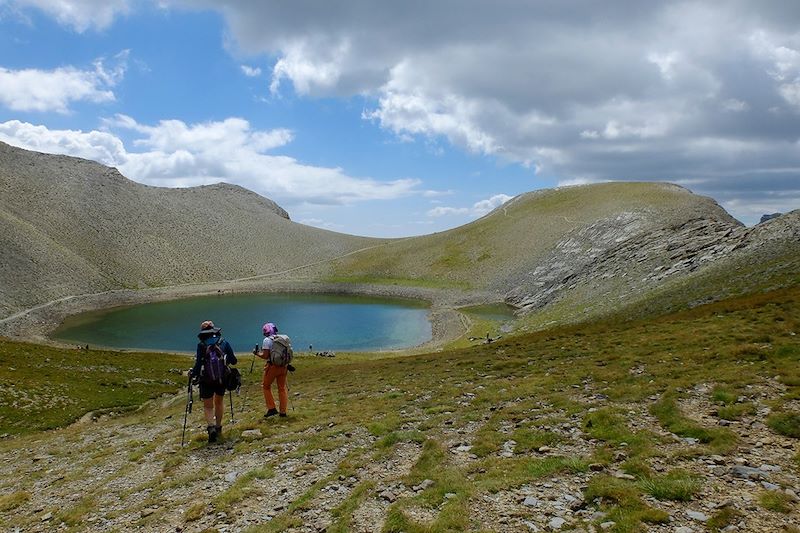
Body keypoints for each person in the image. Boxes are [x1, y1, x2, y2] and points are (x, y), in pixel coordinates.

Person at [190, 320, 237, 442]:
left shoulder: (201, 345)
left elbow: (199, 363)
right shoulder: (223, 342)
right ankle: (218, 426)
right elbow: (233, 360)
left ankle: (211, 428)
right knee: (219, 402)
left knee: (208, 406)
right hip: (221, 379)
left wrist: (193, 373)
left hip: (206, 380)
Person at [253, 322, 289, 418]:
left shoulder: (266, 340)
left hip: (272, 367)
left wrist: (256, 353)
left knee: (266, 386)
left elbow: (265, 356)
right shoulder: (281, 339)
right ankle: (283, 412)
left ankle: (271, 408)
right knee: (281, 388)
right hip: (283, 366)